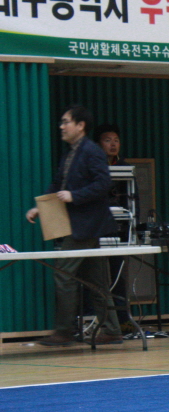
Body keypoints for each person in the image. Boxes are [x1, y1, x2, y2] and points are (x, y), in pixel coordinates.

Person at [25, 105, 124, 346]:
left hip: (86, 226)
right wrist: (41, 206)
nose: (62, 126)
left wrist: (75, 196)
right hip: (84, 225)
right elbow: (57, 184)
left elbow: (103, 183)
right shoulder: (71, 153)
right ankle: (112, 329)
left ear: (80, 126)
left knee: (64, 274)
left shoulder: (91, 151)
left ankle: (64, 332)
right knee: (97, 282)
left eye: (66, 122)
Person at [95, 124, 133, 331]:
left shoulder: (125, 168)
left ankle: (122, 318)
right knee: (94, 275)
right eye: (107, 140)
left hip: (118, 230)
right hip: (96, 229)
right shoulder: (93, 167)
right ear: (98, 144)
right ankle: (94, 319)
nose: (112, 144)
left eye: (116, 140)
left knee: (118, 273)